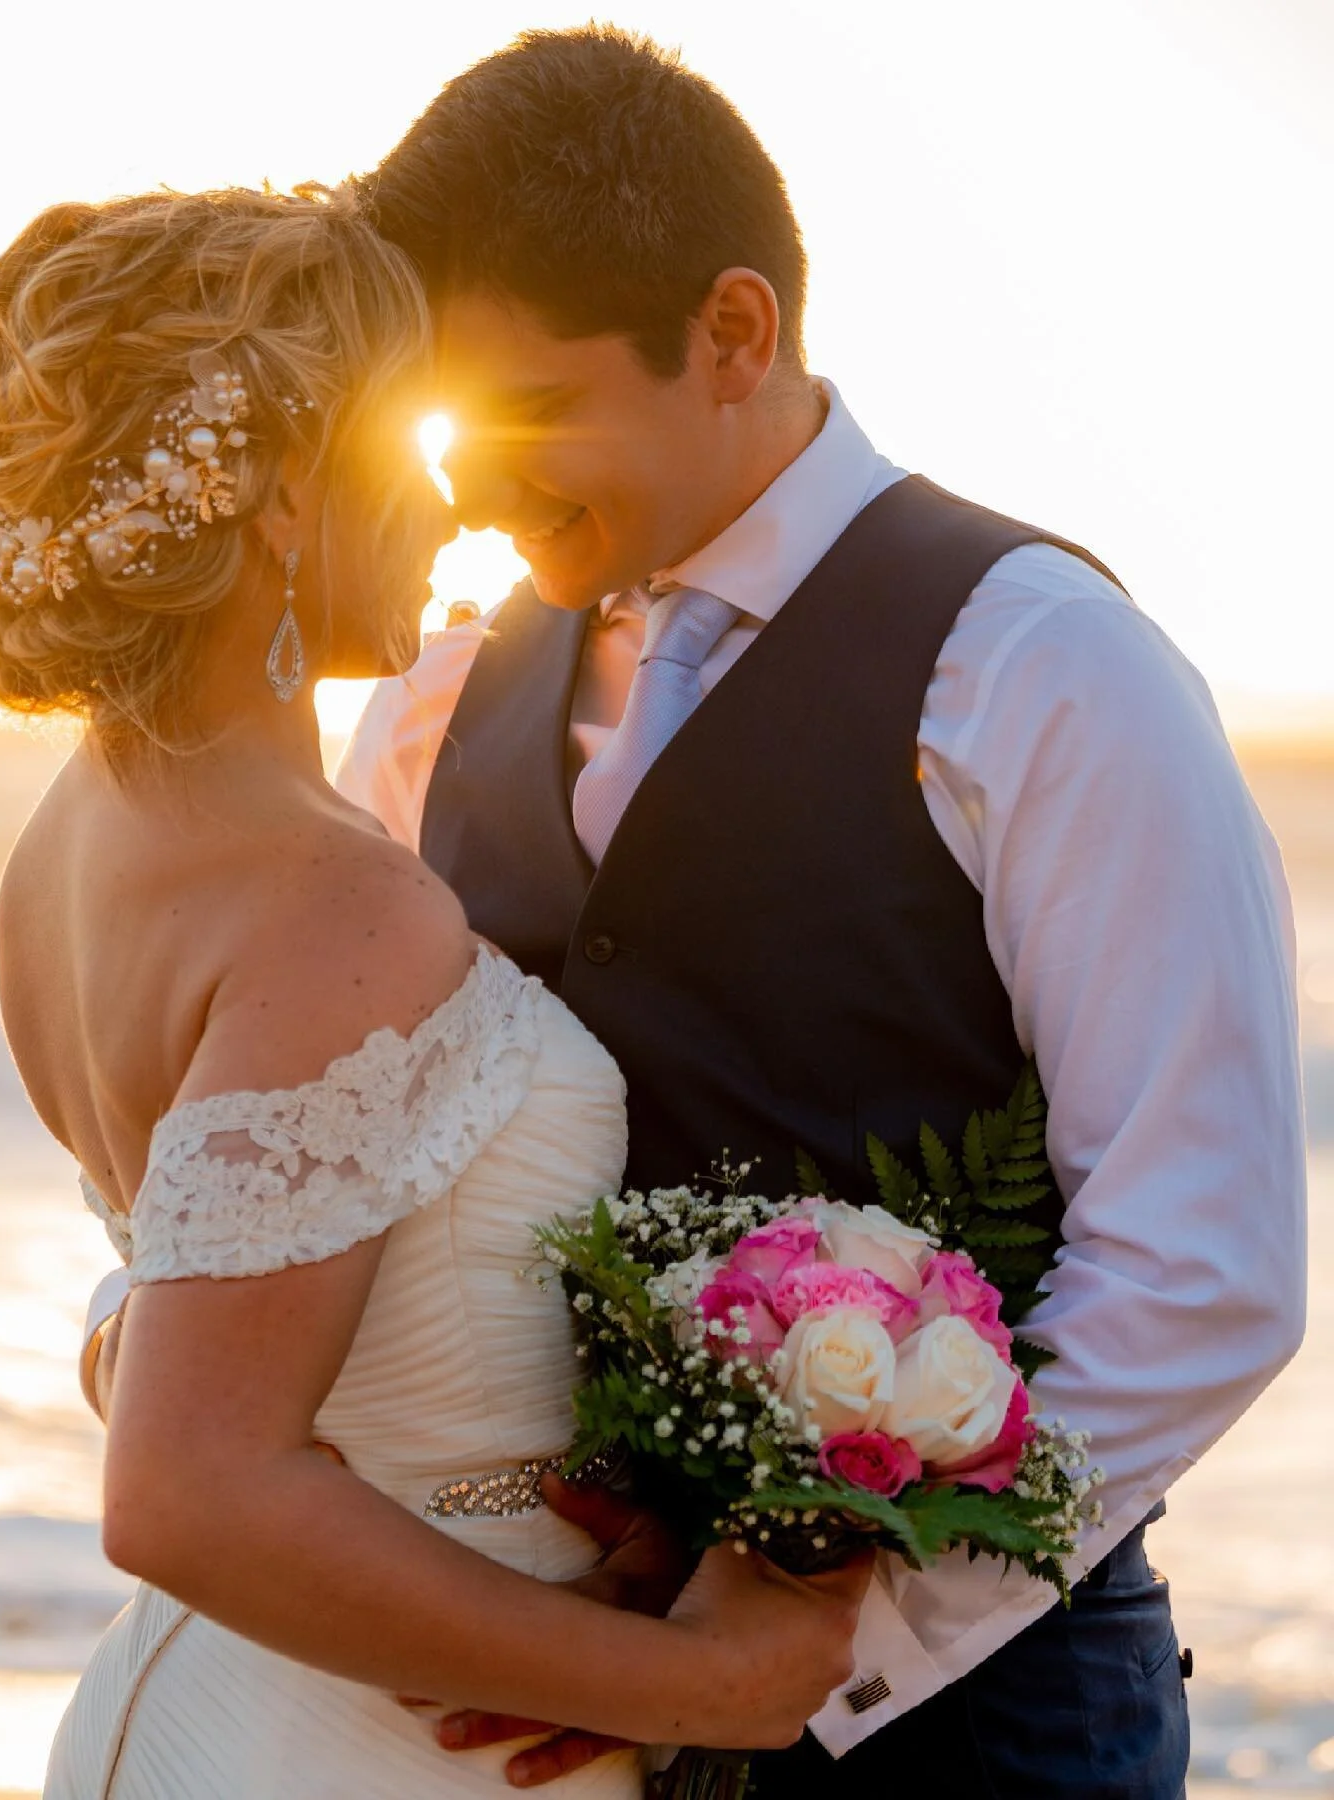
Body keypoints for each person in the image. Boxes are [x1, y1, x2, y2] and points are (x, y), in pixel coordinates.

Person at [327, 25, 1306, 1797]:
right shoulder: (434, 696)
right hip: (551, 1707)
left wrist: (809, 1636)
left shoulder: (1042, 668)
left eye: (533, 411)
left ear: (733, 334)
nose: (468, 484)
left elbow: (1202, 1267)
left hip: (985, 1727)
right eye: (446, 425)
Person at [0, 182, 868, 1800]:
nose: (449, 509)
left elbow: (188, 1308)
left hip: (224, 1707)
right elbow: (190, 1493)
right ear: (286, 497)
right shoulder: (336, 904)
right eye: (404, 448)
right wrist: (703, 1682)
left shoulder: (69, 842)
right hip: (371, 1751)